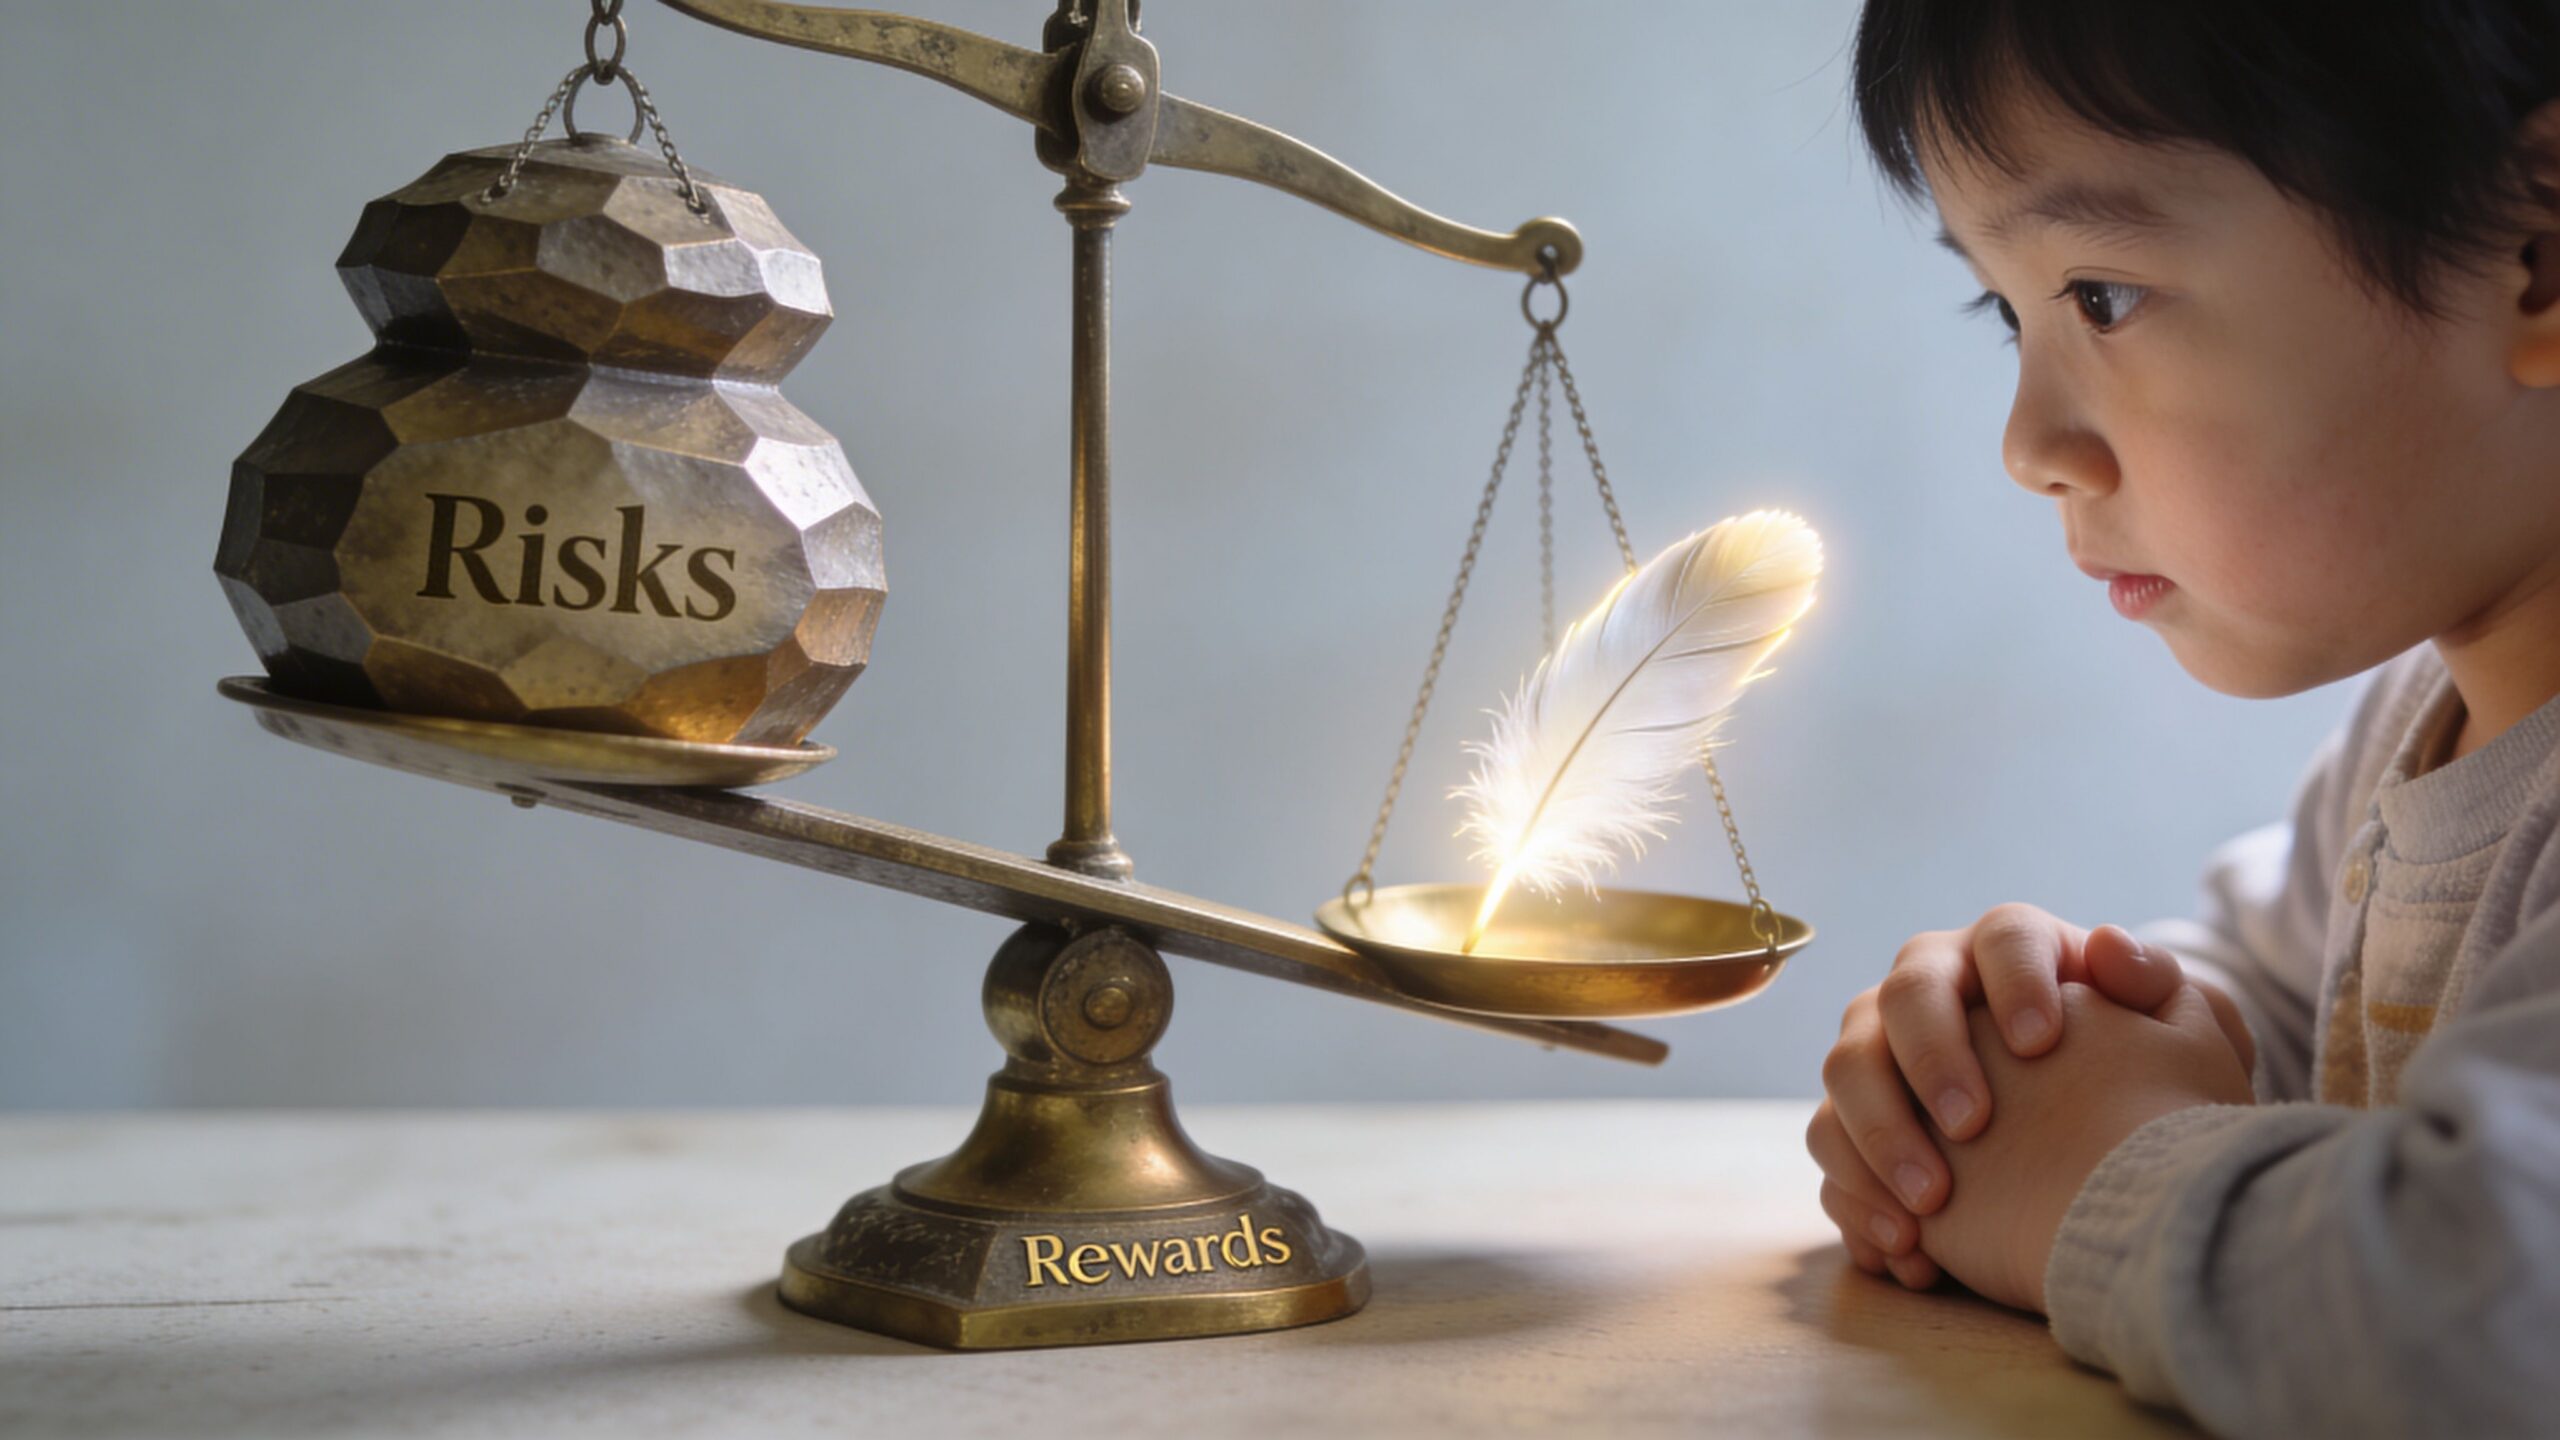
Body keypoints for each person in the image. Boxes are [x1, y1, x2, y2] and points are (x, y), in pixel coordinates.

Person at [1805, 3, 2560, 1433]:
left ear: (2538, 251)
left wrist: (2094, 1174)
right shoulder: (2436, 716)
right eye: (2004, 307)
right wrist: (2037, 1043)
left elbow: (2496, 1305)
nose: (2029, 447)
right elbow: (2283, 1001)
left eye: (2100, 295)